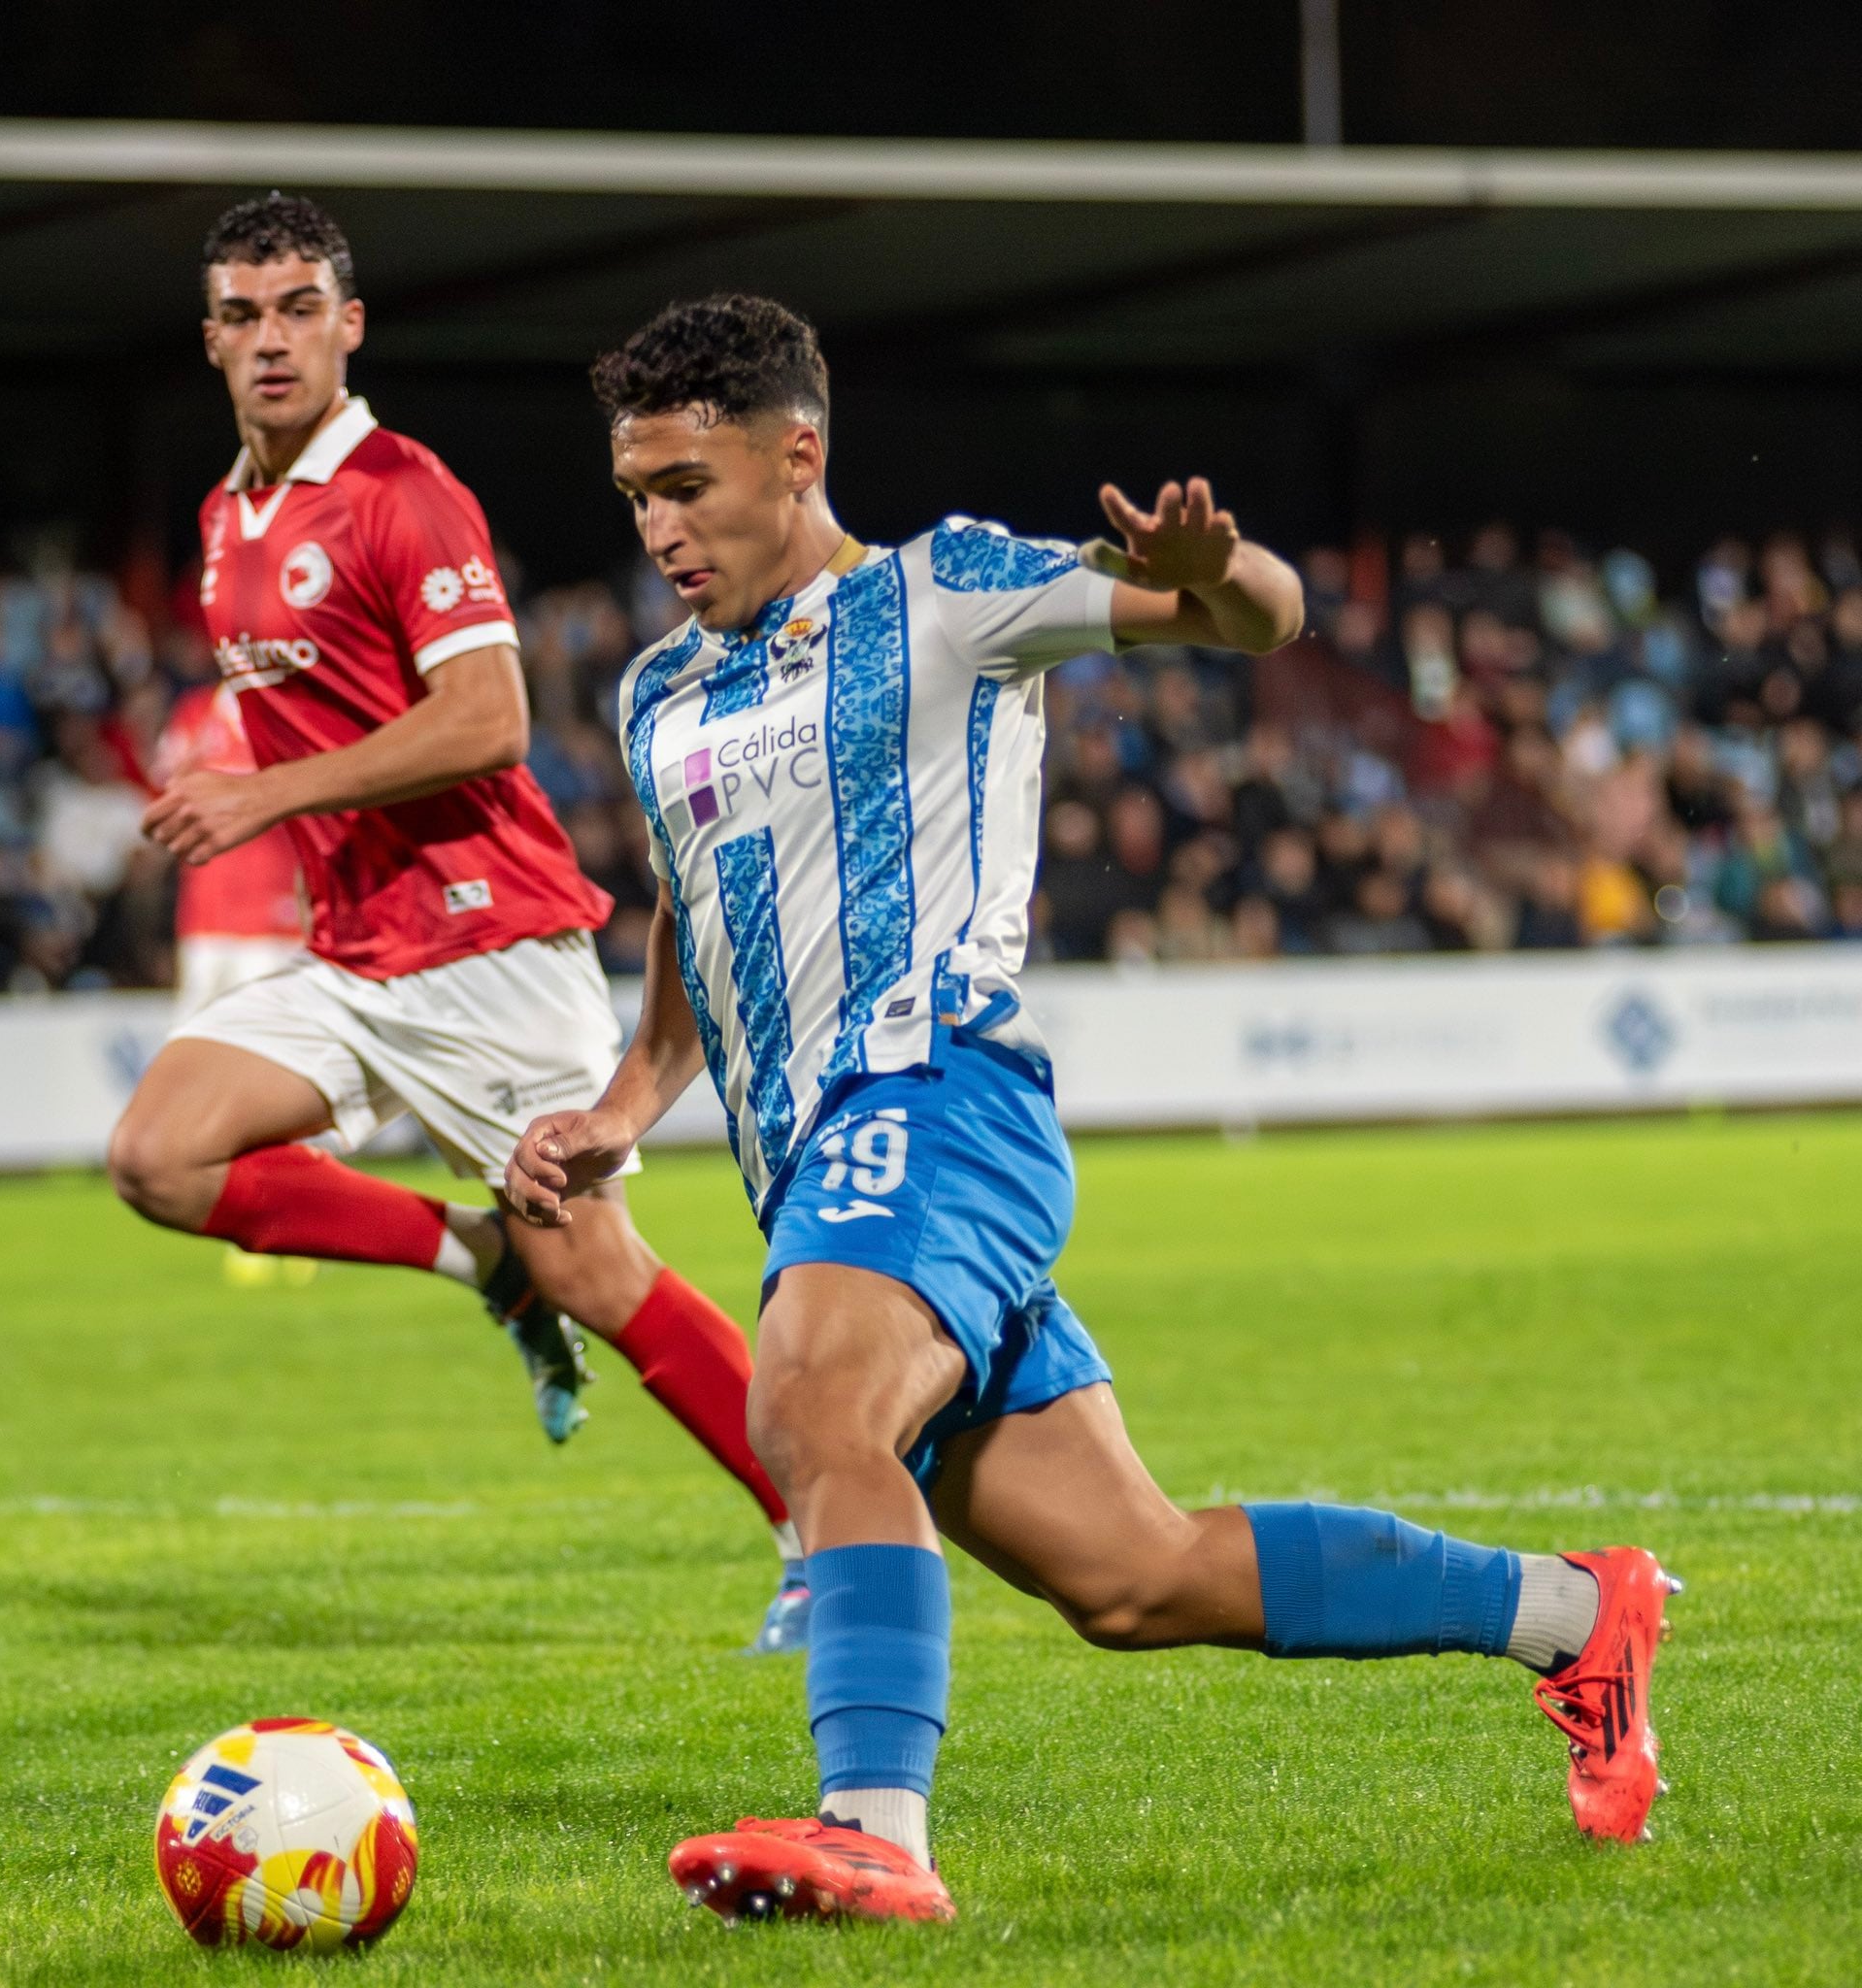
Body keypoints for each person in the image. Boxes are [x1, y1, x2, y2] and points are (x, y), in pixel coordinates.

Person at [505, 294, 1680, 1924]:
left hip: (939, 1098)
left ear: (797, 453)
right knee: (1132, 1574)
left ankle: (873, 1829)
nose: (659, 527)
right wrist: (627, 1097)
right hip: (827, 1176)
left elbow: (1254, 619)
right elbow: (688, 907)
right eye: (637, 492)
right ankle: (1572, 1611)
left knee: (816, 1410)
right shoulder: (655, 694)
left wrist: (1213, 572)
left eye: (689, 484)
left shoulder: (946, 590)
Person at [106, 199, 805, 1652]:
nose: (272, 337)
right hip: (359, 955)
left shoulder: (401, 492)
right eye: (244, 314)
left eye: (300, 307)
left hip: (490, 950)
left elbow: (489, 722)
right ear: (213, 340)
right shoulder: (227, 518)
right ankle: (478, 1258)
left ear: (349, 324)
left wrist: (260, 797)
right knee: (158, 1155)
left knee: (602, 1275)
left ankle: (823, 1537)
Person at [152, 678, 305, 1022]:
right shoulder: (196, 710)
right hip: (205, 915)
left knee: (269, 1036)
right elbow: (165, 788)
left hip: (275, 913)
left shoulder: (291, 709)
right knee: (197, 1037)